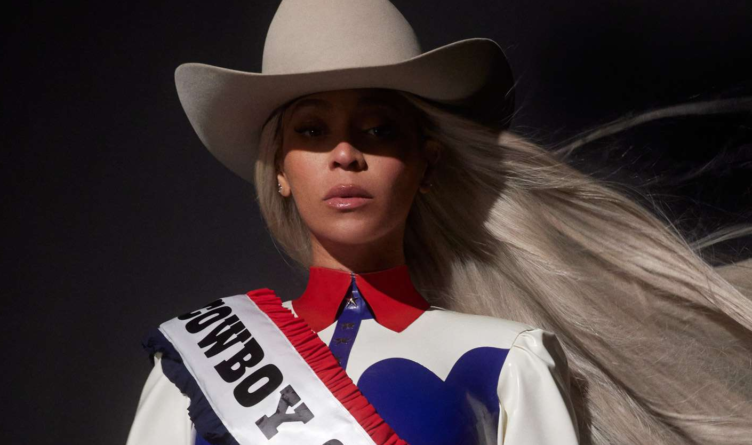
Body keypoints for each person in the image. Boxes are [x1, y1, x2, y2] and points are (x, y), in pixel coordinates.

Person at [126, 1, 752, 444]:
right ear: (280, 170)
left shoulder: (508, 360)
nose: (345, 154)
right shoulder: (196, 361)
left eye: (378, 130)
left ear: (425, 163)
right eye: (312, 131)